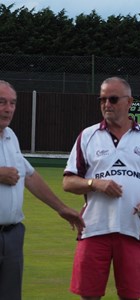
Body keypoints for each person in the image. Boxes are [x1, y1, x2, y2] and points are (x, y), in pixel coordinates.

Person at [63, 76, 140, 300]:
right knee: (89, 295)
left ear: (129, 102)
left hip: (132, 228)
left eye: (113, 99)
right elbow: (68, 182)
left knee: (130, 296)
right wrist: (95, 183)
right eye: (102, 99)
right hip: (94, 228)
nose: (106, 104)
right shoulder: (88, 136)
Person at [0, 80, 85, 300]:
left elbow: (29, 176)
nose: (8, 109)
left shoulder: (10, 137)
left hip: (12, 236)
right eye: (1, 102)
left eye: (12, 103)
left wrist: (61, 208)